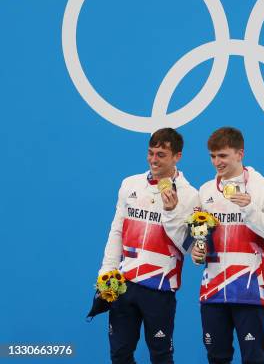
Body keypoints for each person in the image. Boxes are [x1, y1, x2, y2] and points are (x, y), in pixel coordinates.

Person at [99, 128, 200, 364]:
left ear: (177, 156)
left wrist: (172, 212)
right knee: (120, 355)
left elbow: (190, 247)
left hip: (160, 288)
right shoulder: (130, 184)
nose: (153, 160)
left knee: (161, 357)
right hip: (124, 284)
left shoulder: (190, 196)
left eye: (161, 155)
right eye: (150, 153)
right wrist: (106, 271)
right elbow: (117, 231)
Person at [192, 127, 264, 364]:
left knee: (254, 360)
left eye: (222, 156)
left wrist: (249, 209)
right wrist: (196, 251)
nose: (217, 162)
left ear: (240, 153)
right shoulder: (205, 191)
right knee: (216, 358)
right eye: (213, 156)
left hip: (249, 291)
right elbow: (199, 236)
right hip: (212, 292)